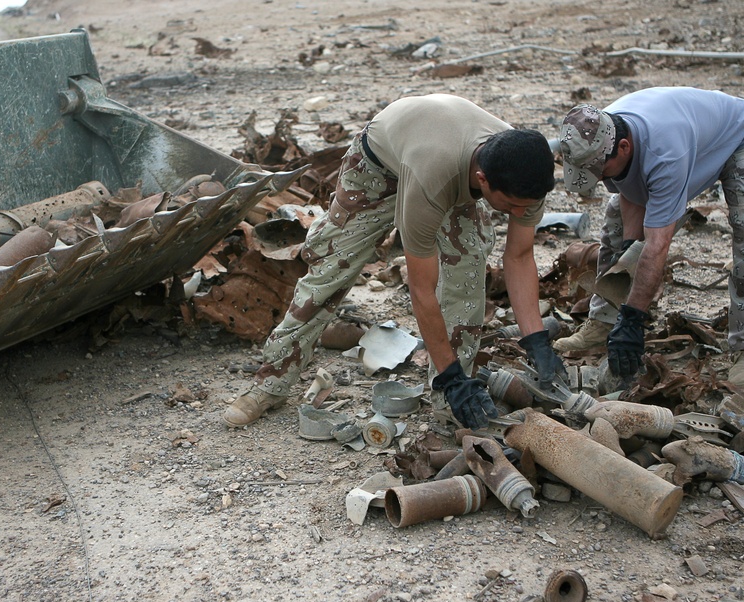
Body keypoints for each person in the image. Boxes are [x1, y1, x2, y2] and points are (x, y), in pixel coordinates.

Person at [222, 93, 565, 429]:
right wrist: (450, 375)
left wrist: (535, 339)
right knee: (332, 271)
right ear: (482, 180)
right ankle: (270, 383)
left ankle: (454, 399)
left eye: (525, 206)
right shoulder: (434, 179)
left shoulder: (526, 175)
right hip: (380, 164)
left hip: (445, 156)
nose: (520, 213)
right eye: (510, 205)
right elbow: (421, 289)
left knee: (468, 271)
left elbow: (519, 257)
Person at [555, 87, 744, 390]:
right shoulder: (601, 132)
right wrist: (629, 250)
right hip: (687, 139)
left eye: (598, 170)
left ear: (624, 147)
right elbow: (629, 190)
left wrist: (634, 320)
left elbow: (657, 246)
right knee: (616, 223)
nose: (598, 177)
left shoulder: (664, 155)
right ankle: (605, 318)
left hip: (741, 136)